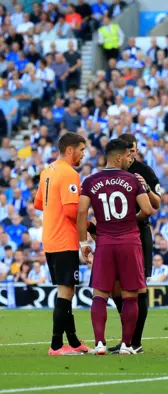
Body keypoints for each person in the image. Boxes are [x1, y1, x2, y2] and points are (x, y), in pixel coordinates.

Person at [77, 139, 153, 355]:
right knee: (130, 295)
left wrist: (84, 242)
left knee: (100, 293)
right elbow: (147, 210)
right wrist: (130, 219)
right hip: (130, 241)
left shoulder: (90, 180)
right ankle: (127, 345)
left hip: (104, 241)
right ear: (119, 157)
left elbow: (81, 212)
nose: (130, 160)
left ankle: (100, 343)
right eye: (128, 156)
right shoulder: (131, 179)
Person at [102, 134, 161, 355]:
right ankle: (128, 337)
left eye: (133, 150)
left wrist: (146, 189)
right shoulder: (110, 171)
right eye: (128, 151)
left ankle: (135, 341)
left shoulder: (144, 171)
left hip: (138, 232)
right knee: (116, 287)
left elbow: (156, 203)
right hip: (115, 235)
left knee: (138, 287)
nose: (131, 154)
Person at [34, 132, 90, 356]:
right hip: (64, 238)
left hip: (49, 237)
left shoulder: (47, 170)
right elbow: (71, 211)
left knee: (66, 289)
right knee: (66, 292)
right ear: (70, 150)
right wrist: (90, 226)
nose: (83, 154)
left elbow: (39, 203)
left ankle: (74, 342)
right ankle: (56, 345)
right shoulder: (69, 173)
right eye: (82, 150)